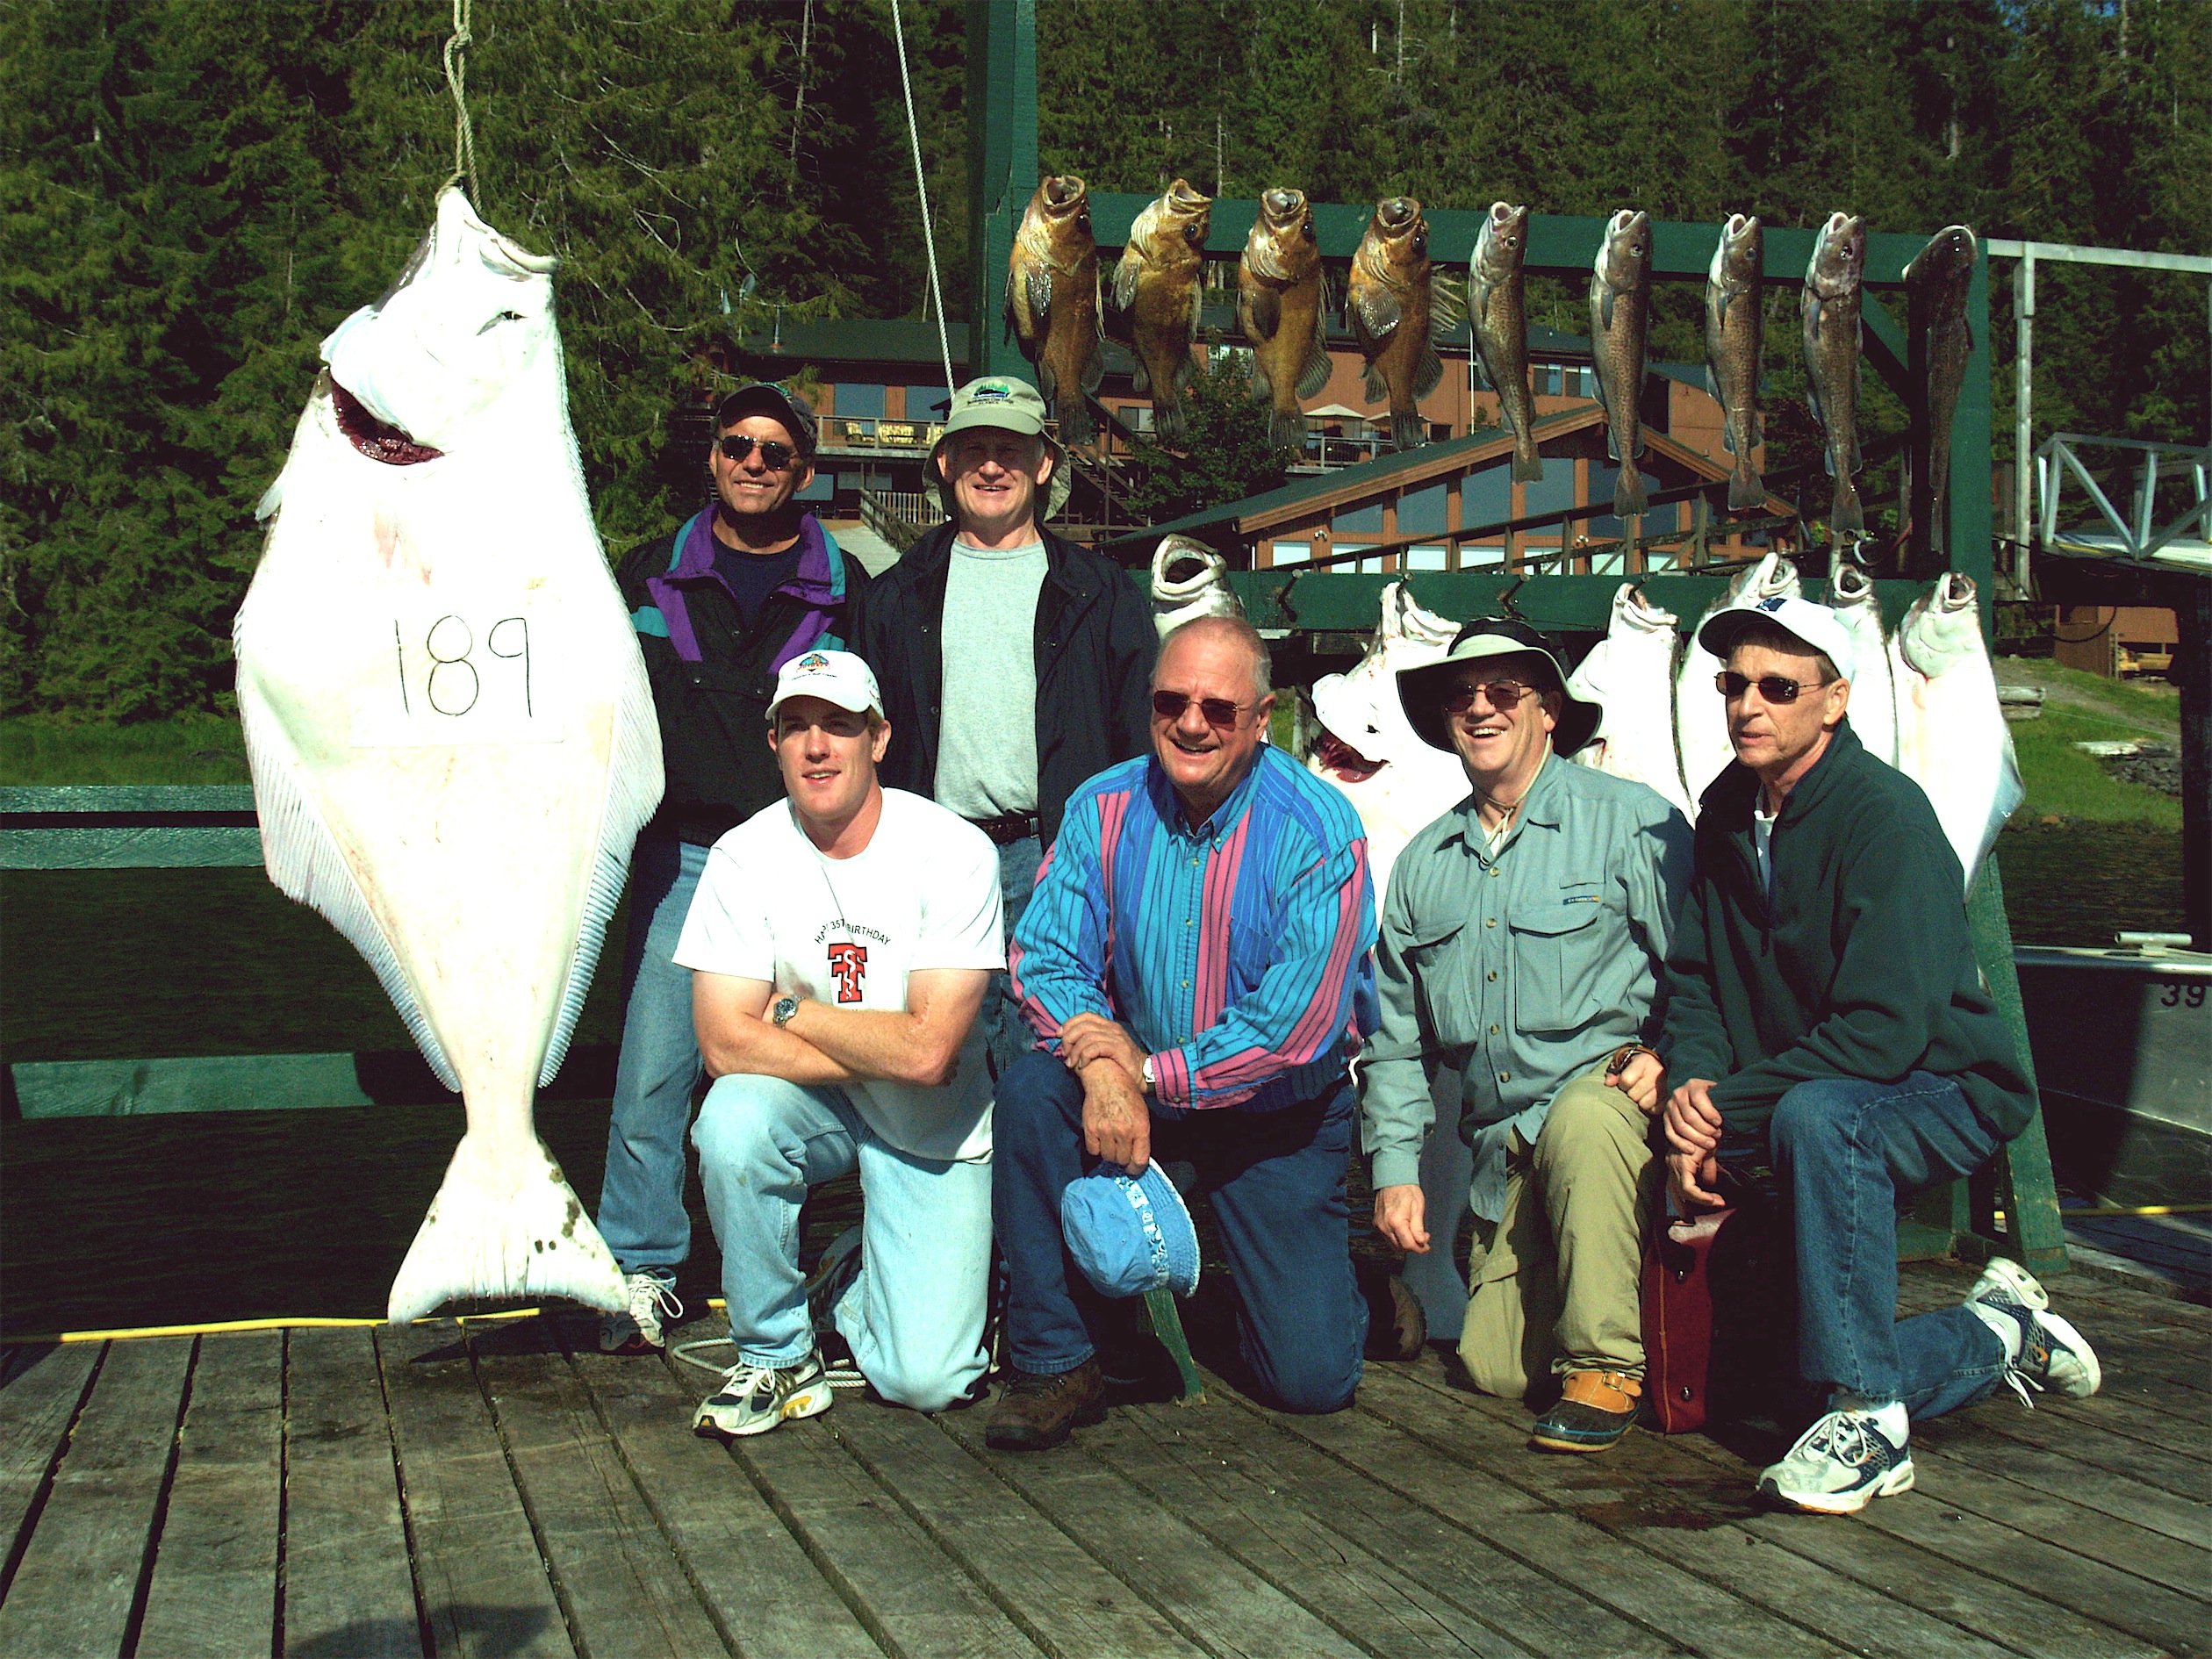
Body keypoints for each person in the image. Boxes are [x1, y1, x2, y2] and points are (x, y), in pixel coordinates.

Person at [1660, 595, 2100, 1514]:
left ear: (1836, 700)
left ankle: (1869, 1422)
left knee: (1824, 1120)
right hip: (1807, 1090)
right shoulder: (1725, 815)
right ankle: (1996, 1335)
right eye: (1732, 683)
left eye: (1779, 687)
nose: (1749, 704)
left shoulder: (1887, 819)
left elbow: (1882, 1034)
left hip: (1942, 1085)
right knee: (1787, 1384)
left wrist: (1722, 1111)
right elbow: (1696, 979)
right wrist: (1693, 1087)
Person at [986, 614, 1378, 1449]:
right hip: (1137, 1095)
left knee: (1309, 1383)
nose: (1191, 722)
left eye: (1219, 709)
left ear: (1263, 718)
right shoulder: (1103, 805)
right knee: (1030, 1093)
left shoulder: (1321, 832)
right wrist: (1101, 1069)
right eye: (1172, 700)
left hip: (1277, 1117)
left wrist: (1148, 1074)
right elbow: (1043, 959)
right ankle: (1057, 1356)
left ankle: (1353, 1295)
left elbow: (1294, 1029)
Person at [1363, 619, 1692, 1454]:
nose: (1480, 708)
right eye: (1460, 696)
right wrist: (1396, 1172)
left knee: (1585, 1117)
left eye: (1503, 690)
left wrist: (1671, 1057)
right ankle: (1602, 1326)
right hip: (1505, 1158)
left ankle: (1608, 1369)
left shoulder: (1633, 821)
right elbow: (1397, 1044)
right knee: (1498, 1369)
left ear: (1548, 710)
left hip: (1618, 1117)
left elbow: (1706, 971)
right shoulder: (1422, 864)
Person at [597, 384, 870, 1354]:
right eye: (737, 447)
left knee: (832, 1064)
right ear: (712, 458)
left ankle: (832, 1260)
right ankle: (642, 1268)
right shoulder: (644, 575)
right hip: (681, 860)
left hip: (810, 858)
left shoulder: (849, 589)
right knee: (654, 1078)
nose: (754, 464)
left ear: (802, 470)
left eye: (776, 453)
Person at [675, 649, 1004, 1434]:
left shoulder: (955, 851)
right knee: (732, 1121)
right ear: (775, 745)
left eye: (839, 726)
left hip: (936, 1125)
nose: (816, 747)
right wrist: (882, 1045)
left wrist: (790, 1012)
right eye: (796, 728)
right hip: (811, 1107)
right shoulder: (741, 855)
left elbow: (931, 1058)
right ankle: (776, 1353)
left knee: (926, 1380)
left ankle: (856, 1272)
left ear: (880, 738)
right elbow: (723, 1044)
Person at [852, 376, 1157, 1080]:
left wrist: (1117, 864)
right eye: (975, 449)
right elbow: (860, 741)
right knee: (940, 1066)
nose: (992, 466)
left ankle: (1034, 1192)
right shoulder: (894, 595)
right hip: (932, 860)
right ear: (946, 463)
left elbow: (1139, 742)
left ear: (1044, 464)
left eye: (1011, 450)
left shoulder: (1102, 592)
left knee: (1042, 1065)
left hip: (1053, 861)